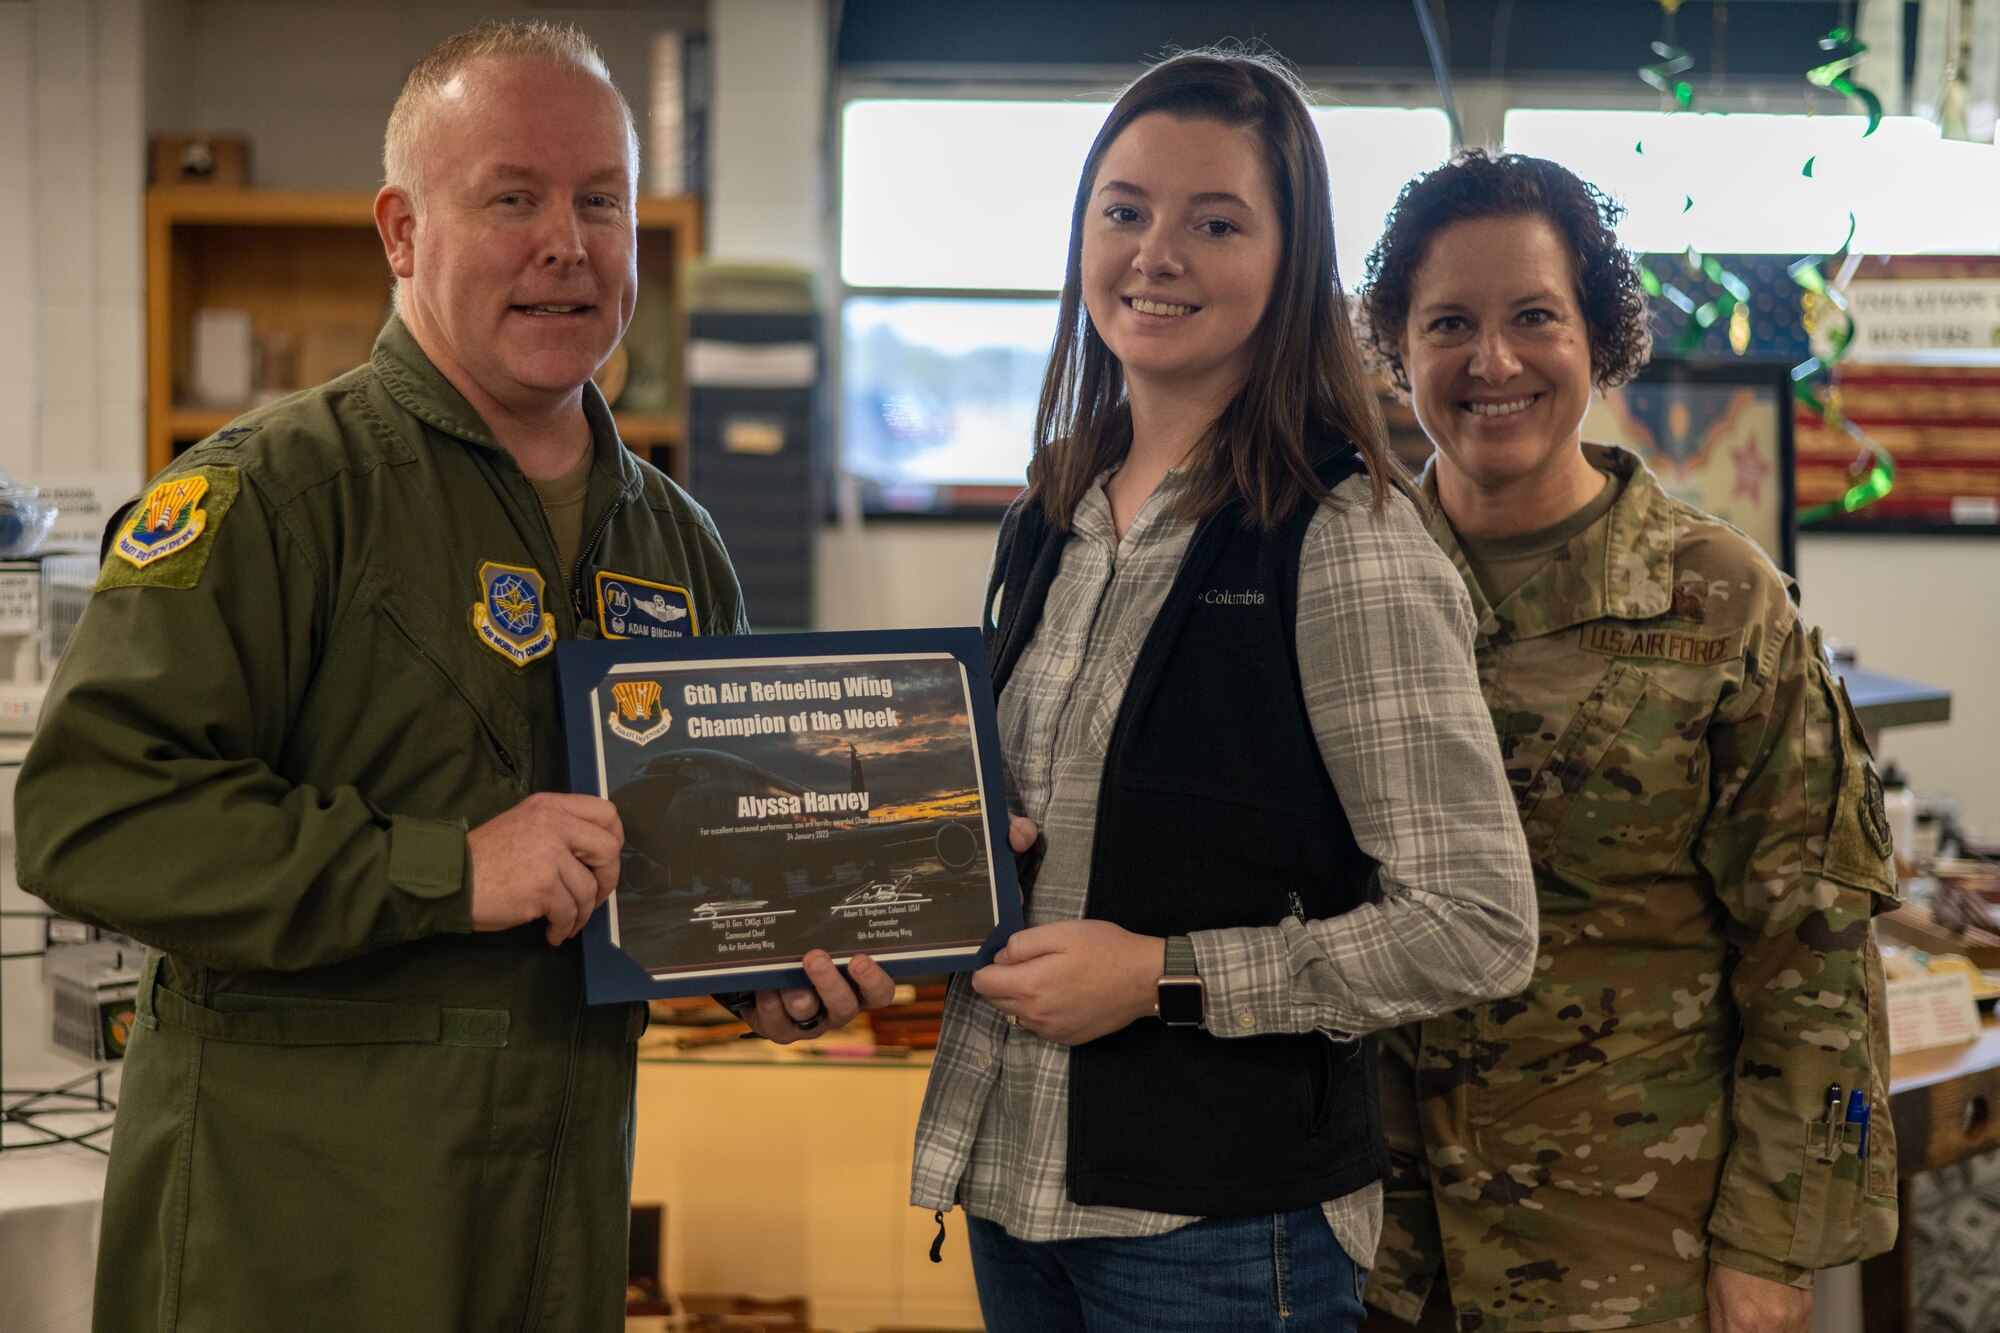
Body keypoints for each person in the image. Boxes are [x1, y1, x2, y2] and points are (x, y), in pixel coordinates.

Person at [14, 22, 889, 1333]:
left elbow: (682, 862)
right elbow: (91, 817)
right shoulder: (271, 496)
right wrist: (445, 866)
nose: (568, 242)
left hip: (548, 1230)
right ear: (402, 230)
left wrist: (749, 962)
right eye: (512, 198)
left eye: (603, 201)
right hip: (288, 1241)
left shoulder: (675, 541)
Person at [907, 51, 1540, 1333]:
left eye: (1215, 222)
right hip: (1011, 1182)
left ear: (1290, 260)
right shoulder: (1053, 504)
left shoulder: (1340, 532)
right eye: (1124, 211)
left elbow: (1477, 920)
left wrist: (1162, 975)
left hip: (1218, 1230)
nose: (1156, 254)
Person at [1353, 149, 1899, 1333]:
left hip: (1624, 1245)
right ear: (1395, 351)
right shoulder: (1340, 575)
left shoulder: (1717, 599)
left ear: (1599, 338)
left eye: (1533, 317)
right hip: (1367, 1248)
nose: (1490, 361)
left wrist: (1769, 1246)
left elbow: (1810, 949)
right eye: (1447, 322)